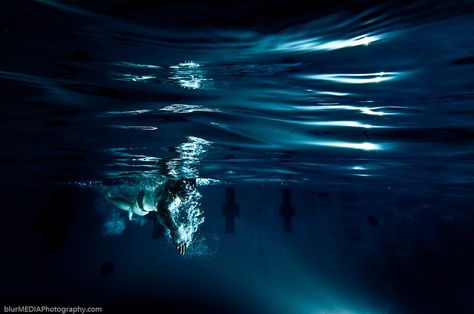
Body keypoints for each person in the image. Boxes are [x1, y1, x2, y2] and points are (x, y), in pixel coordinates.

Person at [105, 178, 197, 255]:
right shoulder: (172, 199)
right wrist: (174, 228)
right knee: (130, 207)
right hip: (142, 205)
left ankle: (112, 197)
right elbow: (162, 211)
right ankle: (109, 198)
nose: (190, 197)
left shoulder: (174, 181)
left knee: (133, 206)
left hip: (146, 194)